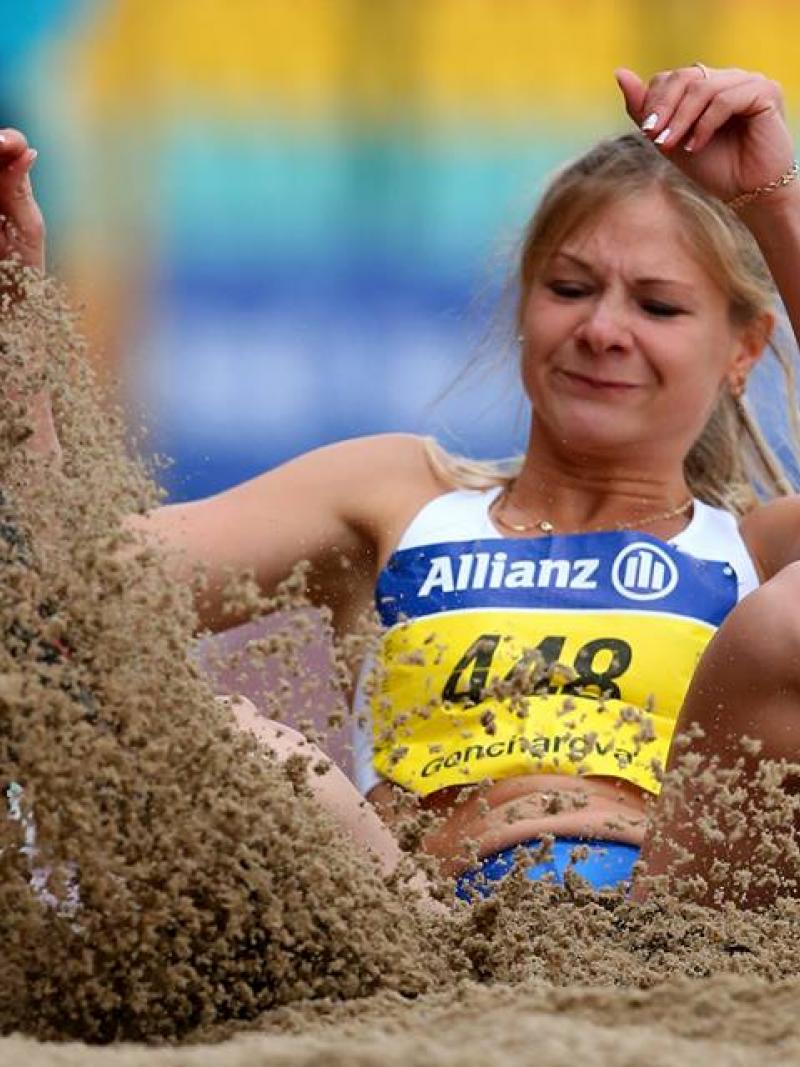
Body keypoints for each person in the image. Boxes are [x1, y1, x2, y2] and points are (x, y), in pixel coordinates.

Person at [3, 63, 800, 905]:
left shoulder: (758, 547)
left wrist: (776, 206)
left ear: (743, 349)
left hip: (677, 920)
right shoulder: (398, 494)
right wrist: (15, 307)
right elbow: (70, 594)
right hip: (418, 933)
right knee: (248, 745)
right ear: (526, 308)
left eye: (658, 307)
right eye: (570, 289)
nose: (603, 329)